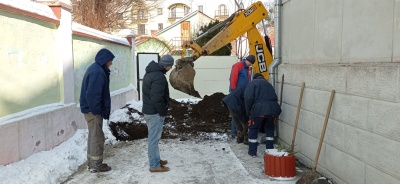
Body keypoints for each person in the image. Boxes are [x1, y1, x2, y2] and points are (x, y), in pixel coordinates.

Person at [80, 48, 114, 172]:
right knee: (97, 137)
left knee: (93, 135)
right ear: (105, 60)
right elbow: (93, 95)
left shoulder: (95, 68)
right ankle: (96, 165)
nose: (111, 63)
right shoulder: (98, 72)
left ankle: (92, 163)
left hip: (90, 109)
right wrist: (97, 111)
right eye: (110, 60)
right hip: (93, 111)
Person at [142, 54, 174, 172]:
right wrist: (163, 112)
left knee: (154, 138)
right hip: (154, 112)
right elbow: (157, 98)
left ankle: (156, 159)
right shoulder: (159, 77)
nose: (171, 68)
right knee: (153, 139)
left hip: (149, 110)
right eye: (170, 66)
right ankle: (154, 165)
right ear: (167, 65)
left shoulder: (150, 72)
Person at [244, 73, 281, 157]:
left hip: (259, 110)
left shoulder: (252, 83)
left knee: (253, 128)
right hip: (273, 110)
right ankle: (270, 150)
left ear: (254, 78)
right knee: (270, 127)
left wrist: (249, 112)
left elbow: (248, 98)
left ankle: (252, 152)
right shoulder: (269, 84)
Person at [228, 55, 255, 139]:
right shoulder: (238, 66)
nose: (250, 64)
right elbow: (233, 79)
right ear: (247, 60)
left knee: (239, 113)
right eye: (250, 63)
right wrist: (235, 92)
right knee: (236, 113)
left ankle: (239, 132)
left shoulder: (247, 68)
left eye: (251, 64)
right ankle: (234, 132)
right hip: (237, 94)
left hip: (242, 93)